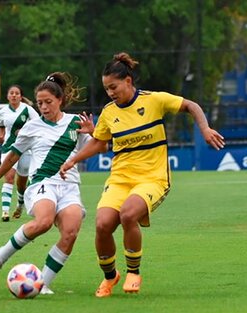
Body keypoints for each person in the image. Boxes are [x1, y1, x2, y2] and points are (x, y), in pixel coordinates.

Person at [60, 52, 225, 297]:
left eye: (113, 87)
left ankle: (133, 271)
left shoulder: (154, 100)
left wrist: (204, 127)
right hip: (120, 179)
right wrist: (73, 159)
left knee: (128, 215)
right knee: (103, 225)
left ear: (128, 81)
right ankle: (110, 277)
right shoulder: (108, 112)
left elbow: (191, 106)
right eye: (107, 89)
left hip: (153, 177)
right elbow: (99, 143)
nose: (110, 93)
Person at [0, 72, 102, 294]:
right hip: (42, 183)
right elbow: (12, 157)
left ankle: (42, 283)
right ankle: (0, 257)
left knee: (70, 232)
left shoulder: (75, 123)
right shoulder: (32, 127)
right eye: (40, 103)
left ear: (60, 100)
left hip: (69, 186)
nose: (44, 107)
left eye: (48, 102)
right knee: (44, 222)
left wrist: (93, 134)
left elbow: (100, 148)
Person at [0, 85, 39, 222]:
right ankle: (5, 211)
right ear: (7, 96)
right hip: (9, 147)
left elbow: (39, 124)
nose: (14, 95)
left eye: (17, 93)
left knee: (21, 183)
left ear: (21, 96)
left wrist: (26, 131)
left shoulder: (28, 109)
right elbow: (2, 127)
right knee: (9, 177)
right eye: (11, 93)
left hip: (25, 149)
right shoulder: (2, 111)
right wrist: (0, 135)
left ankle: (20, 203)